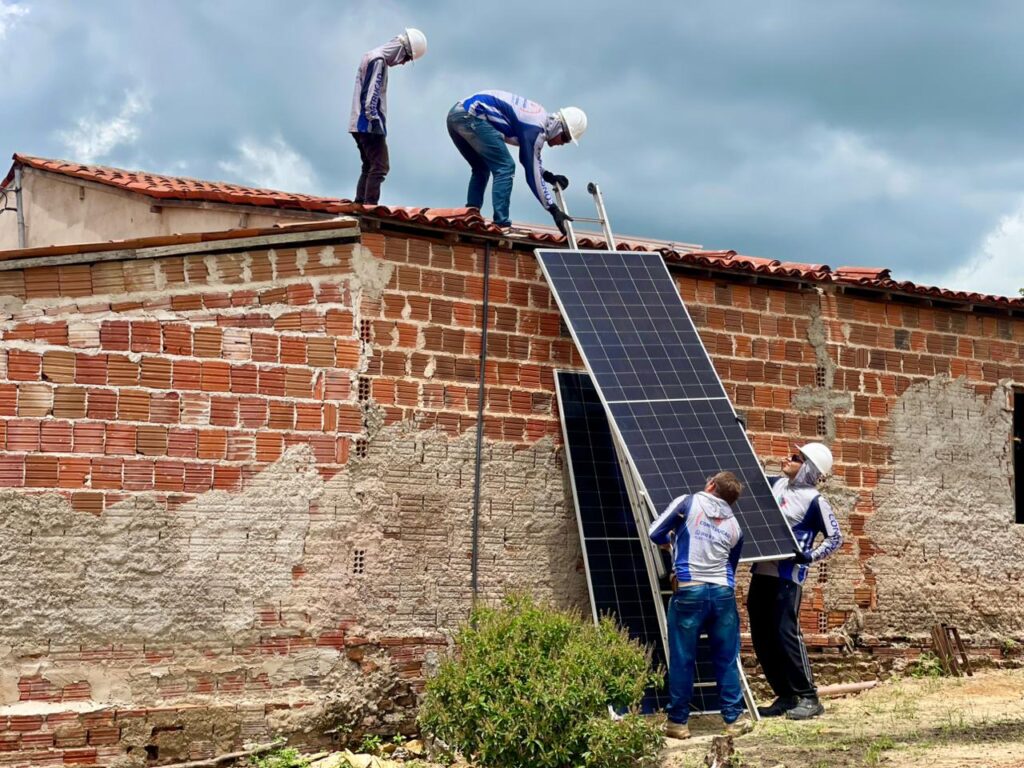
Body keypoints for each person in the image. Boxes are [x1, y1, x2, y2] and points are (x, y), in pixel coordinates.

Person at [648, 471, 751, 740]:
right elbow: (731, 565)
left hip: (690, 591)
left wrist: (670, 544)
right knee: (726, 658)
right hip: (722, 593)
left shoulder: (687, 502)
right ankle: (734, 719)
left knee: (683, 657)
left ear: (711, 485)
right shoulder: (736, 527)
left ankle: (678, 723)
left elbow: (654, 531)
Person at [747, 442, 843, 720]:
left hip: (788, 576)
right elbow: (749, 473)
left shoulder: (815, 501)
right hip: (762, 569)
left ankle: (808, 696)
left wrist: (810, 556)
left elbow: (836, 538)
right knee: (761, 634)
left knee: (785, 633)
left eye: (794, 457)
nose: (786, 459)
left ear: (808, 467)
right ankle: (785, 694)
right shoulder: (775, 484)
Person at [446, 90, 586, 233]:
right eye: (565, 138)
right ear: (559, 127)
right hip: (470, 116)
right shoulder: (535, 129)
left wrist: (548, 176)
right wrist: (553, 209)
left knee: (481, 168)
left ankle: (471, 214)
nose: (563, 144)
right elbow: (531, 174)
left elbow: (529, 161)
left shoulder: (539, 120)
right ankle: (501, 224)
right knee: (506, 167)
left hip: (456, 115)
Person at [349, 28, 428, 205]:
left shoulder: (371, 56)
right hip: (367, 123)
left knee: (369, 165)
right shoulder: (378, 61)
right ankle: (369, 207)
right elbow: (371, 92)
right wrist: (374, 120)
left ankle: (360, 202)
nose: (403, 63)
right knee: (380, 166)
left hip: (359, 122)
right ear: (401, 50)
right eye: (406, 58)